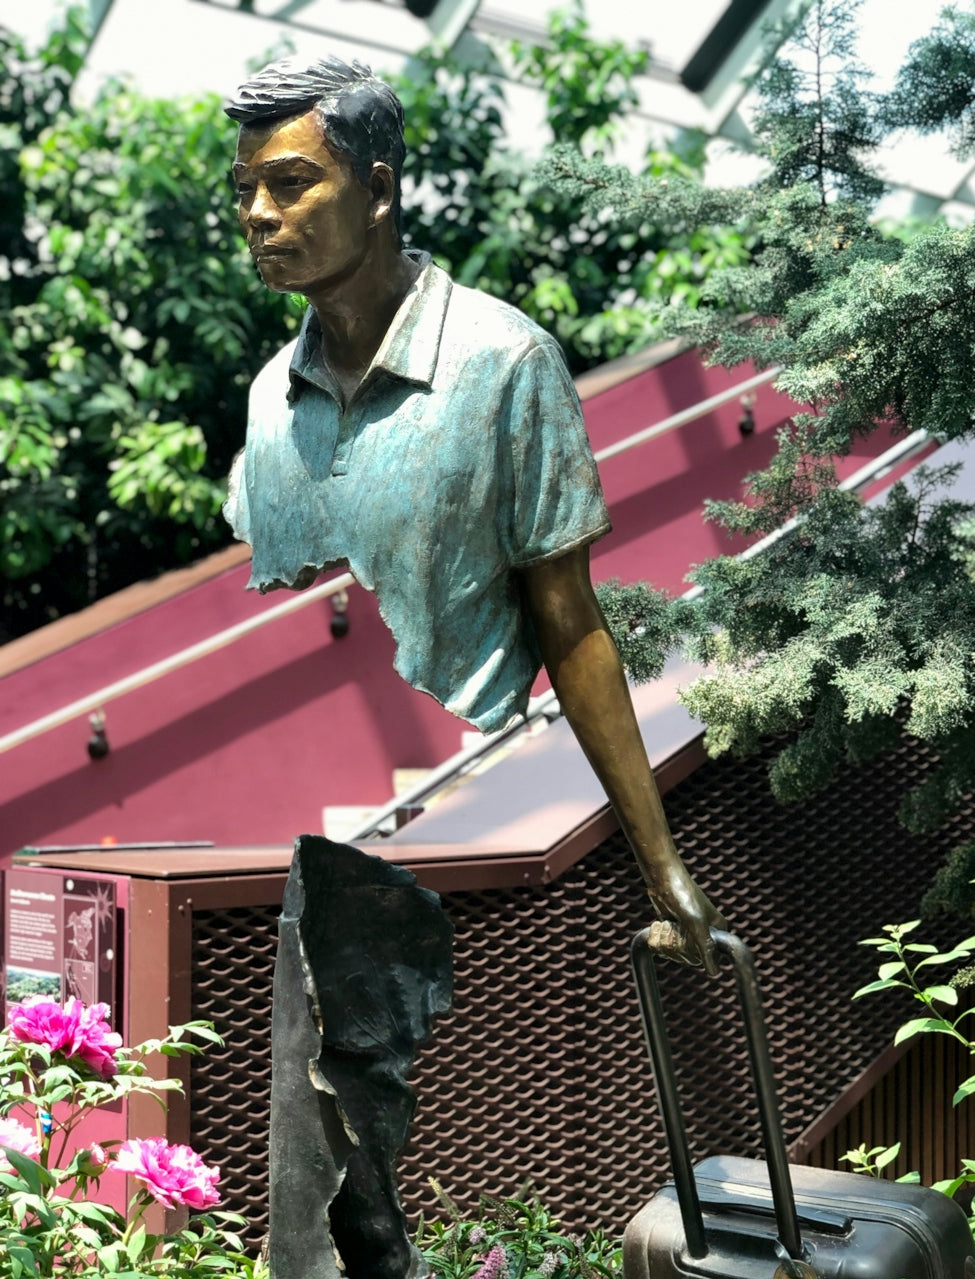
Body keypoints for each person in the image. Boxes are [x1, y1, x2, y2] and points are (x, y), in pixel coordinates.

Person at [223, 55, 725, 971]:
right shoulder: (269, 399)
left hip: (483, 857)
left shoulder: (505, 365)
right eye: (246, 188)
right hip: (302, 886)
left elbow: (569, 623)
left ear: (376, 191)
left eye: (290, 184)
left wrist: (662, 868)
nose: (259, 213)